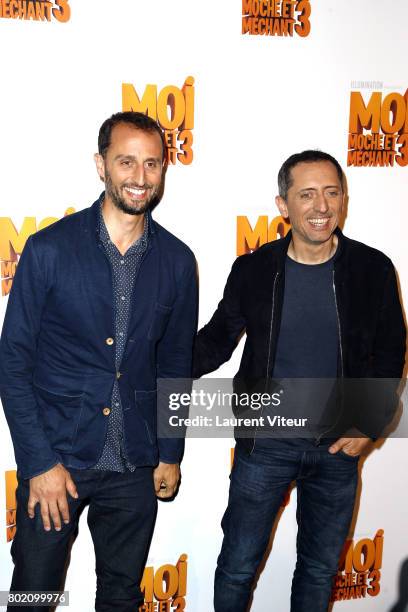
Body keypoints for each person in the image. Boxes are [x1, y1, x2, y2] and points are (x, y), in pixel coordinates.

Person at [0, 111, 197, 612]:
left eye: (152, 163)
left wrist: (170, 450)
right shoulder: (48, 250)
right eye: (126, 161)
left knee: (121, 595)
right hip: (57, 458)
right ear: (101, 165)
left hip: (134, 461)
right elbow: (13, 361)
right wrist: (39, 462)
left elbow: (175, 364)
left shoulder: (177, 261)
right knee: (33, 594)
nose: (139, 177)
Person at [193, 150, 406, 611]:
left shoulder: (372, 269)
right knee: (237, 566)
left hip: (337, 450)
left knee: (318, 570)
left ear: (344, 199)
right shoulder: (253, 269)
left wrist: (368, 423)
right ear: (282, 204)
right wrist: (151, 361)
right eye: (306, 194)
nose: (321, 206)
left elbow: (391, 354)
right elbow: (216, 341)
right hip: (264, 447)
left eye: (331, 193)